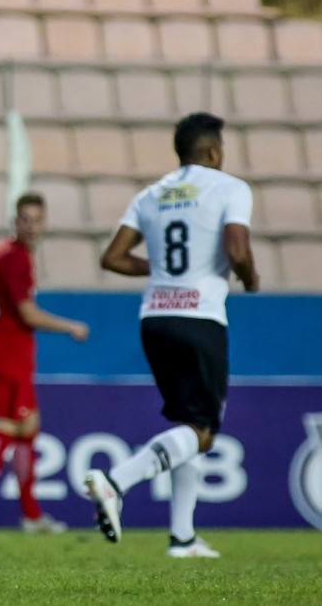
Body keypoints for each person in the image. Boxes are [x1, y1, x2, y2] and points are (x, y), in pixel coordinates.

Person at [86, 112, 259, 558]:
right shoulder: (230, 188)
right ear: (214, 151)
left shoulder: (151, 194)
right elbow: (238, 248)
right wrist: (250, 277)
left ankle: (182, 537)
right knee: (203, 431)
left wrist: (157, 270)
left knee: (186, 425)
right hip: (200, 318)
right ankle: (114, 481)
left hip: (155, 319)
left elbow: (113, 257)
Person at [0, 193, 88, 535]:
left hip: (4, 351)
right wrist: (69, 326)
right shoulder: (15, 260)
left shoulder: (2, 254)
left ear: (44, 223)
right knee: (5, 430)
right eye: (24, 219)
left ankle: (31, 516)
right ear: (16, 222)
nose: (30, 226)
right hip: (10, 354)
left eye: (36, 219)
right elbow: (26, 313)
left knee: (27, 431)